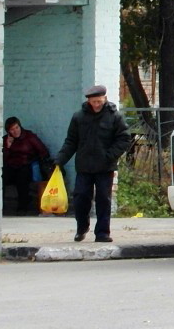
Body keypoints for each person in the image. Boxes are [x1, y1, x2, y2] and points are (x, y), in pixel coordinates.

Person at [54, 84, 132, 243]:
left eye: (99, 101)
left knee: (104, 199)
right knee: (80, 197)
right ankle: (82, 227)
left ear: (104, 98)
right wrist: (59, 160)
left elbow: (124, 139)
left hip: (105, 166)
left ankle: (102, 233)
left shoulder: (114, 116)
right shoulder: (79, 117)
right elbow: (71, 142)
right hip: (84, 166)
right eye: (93, 102)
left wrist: (110, 156)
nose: (97, 104)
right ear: (89, 101)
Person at [2, 116, 50, 214]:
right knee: (1, 178)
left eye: (17, 127)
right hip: (11, 166)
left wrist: (34, 161)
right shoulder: (6, 140)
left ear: (20, 126)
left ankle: (22, 207)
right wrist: (8, 146)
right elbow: (2, 158)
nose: (15, 131)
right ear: (8, 131)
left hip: (26, 165)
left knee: (22, 179)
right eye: (12, 129)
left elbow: (44, 152)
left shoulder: (29, 136)